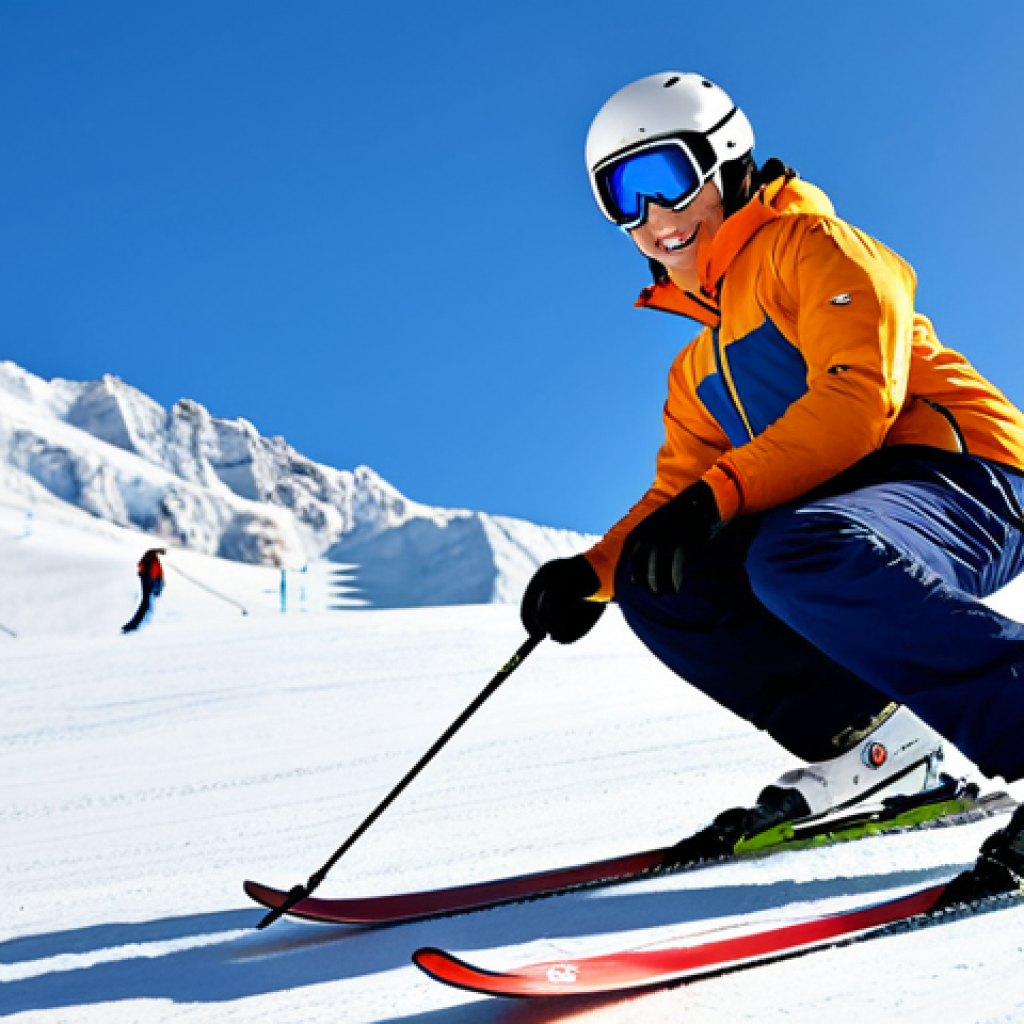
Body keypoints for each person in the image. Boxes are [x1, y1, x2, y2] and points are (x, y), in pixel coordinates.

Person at [521, 72, 1024, 904]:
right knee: (664, 577)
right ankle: (875, 751)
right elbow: (675, 495)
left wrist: (717, 496)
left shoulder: (816, 249)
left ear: (725, 159)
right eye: (622, 196)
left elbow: (857, 402)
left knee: (797, 548)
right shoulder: (699, 366)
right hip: (852, 510)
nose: (654, 218)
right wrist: (593, 573)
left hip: (970, 476)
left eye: (666, 179)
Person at [122, 548, 166, 633]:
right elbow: (157, 573)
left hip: (146, 581)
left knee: (145, 604)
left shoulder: (146, 558)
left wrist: (144, 577)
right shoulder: (154, 560)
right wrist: (156, 583)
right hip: (149, 582)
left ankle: (133, 624)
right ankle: (133, 624)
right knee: (145, 604)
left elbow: (140, 570)